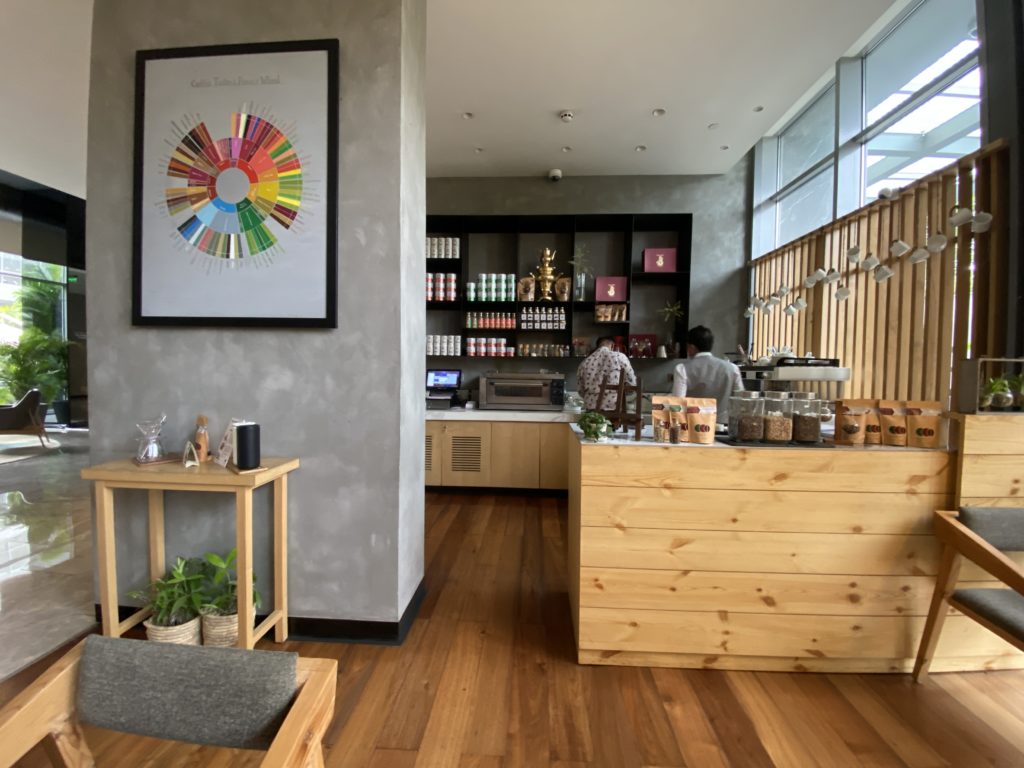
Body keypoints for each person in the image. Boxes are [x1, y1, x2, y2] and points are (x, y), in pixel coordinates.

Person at [672, 325, 743, 424]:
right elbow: (741, 401)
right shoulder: (733, 368)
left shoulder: (682, 369)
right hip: (725, 427)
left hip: (694, 428)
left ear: (691, 347)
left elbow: (678, 403)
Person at [576, 337, 636, 410]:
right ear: (613, 346)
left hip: (591, 409)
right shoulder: (620, 357)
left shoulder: (585, 362)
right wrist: (624, 393)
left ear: (597, 346)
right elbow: (632, 383)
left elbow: (580, 391)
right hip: (614, 408)